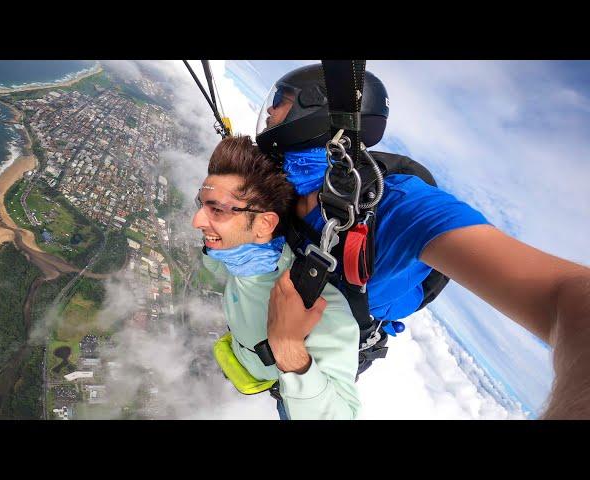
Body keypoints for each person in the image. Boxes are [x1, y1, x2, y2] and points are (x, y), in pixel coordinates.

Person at [257, 64, 590, 419]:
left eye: (281, 101)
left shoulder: (402, 206)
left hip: (321, 362)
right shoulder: (290, 181)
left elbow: (563, 294)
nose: (271, 112)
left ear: (314, 112)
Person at [192, 134, 362, 420]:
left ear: (264, 224)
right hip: (246, 360)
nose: (196, 220)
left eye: (217, 210)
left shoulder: (318, 306)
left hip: (287, 392)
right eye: (202, 204)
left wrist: (290, 351)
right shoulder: (239, 257)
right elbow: (226, 270)